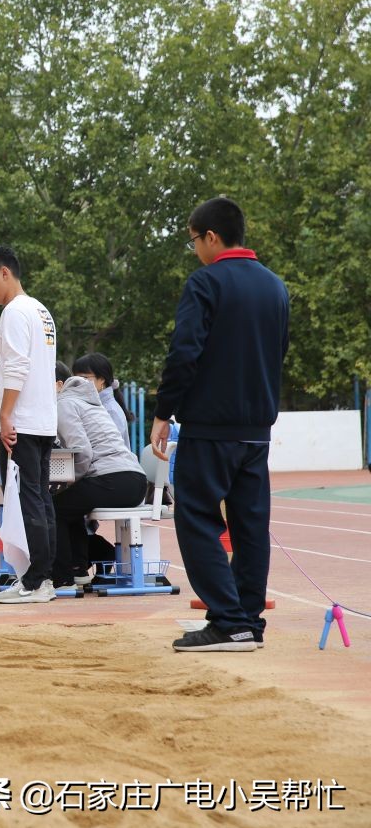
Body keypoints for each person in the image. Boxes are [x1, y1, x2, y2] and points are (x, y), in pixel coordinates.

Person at [152, 197, 289, 652]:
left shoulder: (205, 283)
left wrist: (163, 411)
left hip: (211, 427)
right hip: (257, 429)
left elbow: (185, 353)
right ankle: (248, 620)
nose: (194, 250)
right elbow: (277, 352)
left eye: (193, 241)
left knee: (195, 518)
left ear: (211, 237)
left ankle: (229, 623)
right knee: (251, 526)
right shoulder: (275, 287)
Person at [0, 245, 59, 604]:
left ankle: (36, 581)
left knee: (29, 500)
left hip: (22, 421)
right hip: (43, 420)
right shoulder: (42, 311)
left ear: (4, 273)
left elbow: (17, 367)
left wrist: (5, 415)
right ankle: (44, 577)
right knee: (41, 498)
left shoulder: (14, 312)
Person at [53, 375, 147, 587]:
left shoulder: (64, 404)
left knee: (54, 506)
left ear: (59, 385)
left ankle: (61, 576)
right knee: (69, 503)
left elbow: (82, 452)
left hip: (113, 479)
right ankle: (78, 569)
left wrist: (68, 482)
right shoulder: (91, 404)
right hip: (134, 480)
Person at [73, 352, 132, 440]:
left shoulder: (110, 410)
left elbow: (112, 449)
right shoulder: (93, 405)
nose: (78, 383)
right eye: (75, 378)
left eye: (84, 378)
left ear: (101, 379)